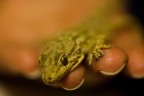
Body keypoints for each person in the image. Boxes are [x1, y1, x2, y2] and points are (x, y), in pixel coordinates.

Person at [0, 0, 144, 90]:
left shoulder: (86, 44)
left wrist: (96, 48)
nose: (49, 76)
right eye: (42, 60)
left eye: (63, 61)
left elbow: (99, 36)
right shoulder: (57, 42)